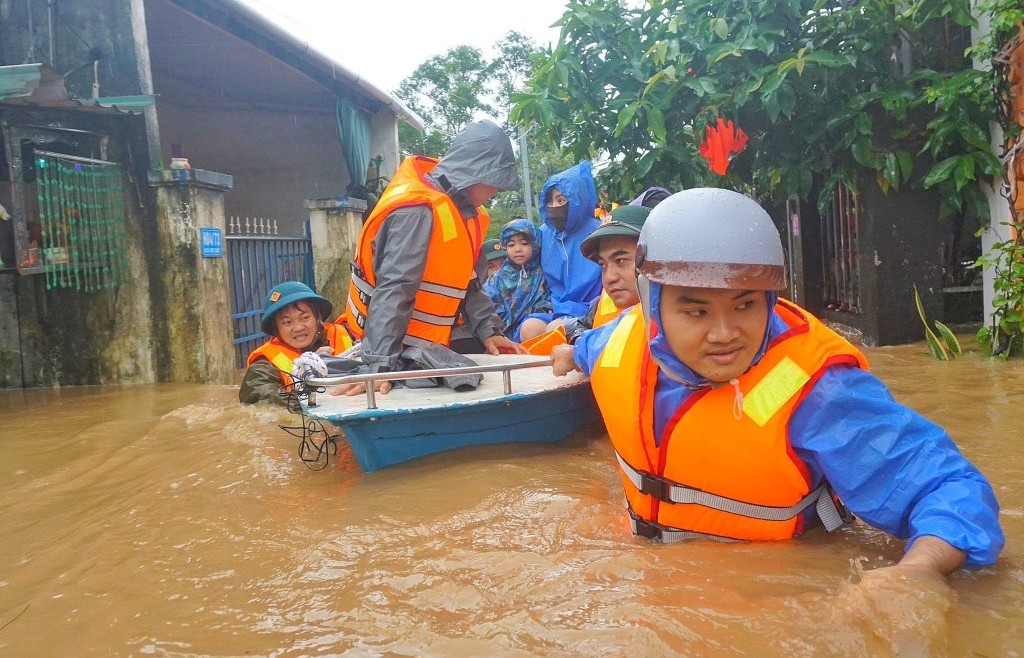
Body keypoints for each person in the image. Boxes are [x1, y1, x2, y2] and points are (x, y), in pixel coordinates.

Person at [553, 188, 1003, 577]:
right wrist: (568, 352)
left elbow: (949, 489)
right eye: (697, 311)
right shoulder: (619, 338)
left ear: (769, 299)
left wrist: (918, 573)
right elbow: (587, 349)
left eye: (745, 305)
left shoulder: (818, 391)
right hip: (651, 582)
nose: (725, 333)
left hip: (774, 590)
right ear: (654, 306)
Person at [338, 120, 525, 397]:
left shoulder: (466, 215)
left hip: (424, 351)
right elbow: (395, 287)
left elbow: (469, 283)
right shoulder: (417, 212)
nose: (496, 190)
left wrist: (488, 330)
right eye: (495, 181)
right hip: (387, 350)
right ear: (476, 173)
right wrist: (377, 367)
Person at [518, 161, 603, 340]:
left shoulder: (599, 231)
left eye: (561, 200)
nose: (554, 206)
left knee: (556, 330)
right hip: (555, 308)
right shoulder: (543, 233)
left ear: (576, 199)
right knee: (529, 329)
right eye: (549, 201)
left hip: (592, 307)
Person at [239, 281, 353, 405]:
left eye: (305, 318)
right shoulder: (262, 368)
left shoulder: (347, 335)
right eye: (287, 322)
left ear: (317, 318)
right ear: (276, 328)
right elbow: (262, 402)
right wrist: (311, 375)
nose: (298, 328)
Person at [483, 218, 552, 339]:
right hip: (501, 337)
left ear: (535, 244)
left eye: (524, 243)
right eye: (511, 245)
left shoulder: (544, 272)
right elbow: (486, 304)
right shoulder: (498, 278)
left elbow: (548, 300)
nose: (518, 249)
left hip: (532, 333)